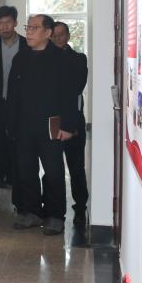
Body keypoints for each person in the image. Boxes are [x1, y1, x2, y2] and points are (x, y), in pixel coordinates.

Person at [8, 14, 80, 235]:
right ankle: (31, 212)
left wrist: (68, 126)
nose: (29, 32)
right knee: (26, 170)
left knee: (54, 171)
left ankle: (55, 215)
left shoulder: (62, 59)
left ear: (48, 33)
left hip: (52, 124)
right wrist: (11, 123)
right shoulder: (20, 58)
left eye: (35, 28)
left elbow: (70, 95)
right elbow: (12, 93)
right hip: (24, 124)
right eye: (28, 27)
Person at [0, 5, 27, 215]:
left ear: (15, 23)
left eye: (7, 22)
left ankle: (20, 201)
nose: (4, 26)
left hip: (20, 109)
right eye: (0, 23)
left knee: (19, 157)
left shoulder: (27, 45)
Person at [51, 21, 90, 232]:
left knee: (76, 167)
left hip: (73, 119)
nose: (58, 38)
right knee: (52, 168)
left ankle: (81, 206)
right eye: (54, 35)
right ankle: (53, 209)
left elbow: (76, 87)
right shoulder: (44, 58)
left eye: (61, 34)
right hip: (51, 121)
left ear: (68, 36)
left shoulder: (78, 58)